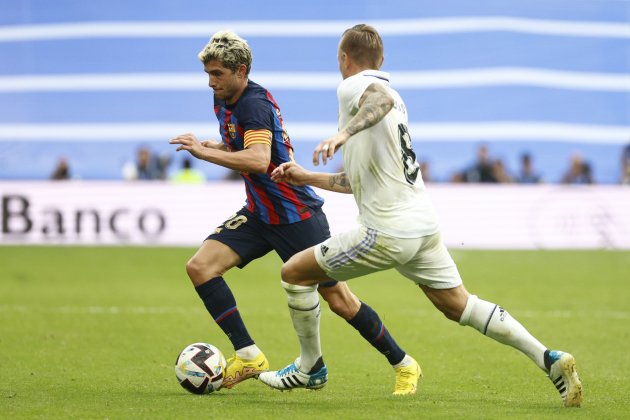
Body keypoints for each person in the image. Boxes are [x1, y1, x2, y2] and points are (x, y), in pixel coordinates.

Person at [259, 24, 583, 408]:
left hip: (386, 232)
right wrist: (306, 176)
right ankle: (548, 358)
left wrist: (342, 134)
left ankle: (310, 366)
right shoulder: (397, 100)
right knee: (458, 304)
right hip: (423, 226)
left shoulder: (357, 87)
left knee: (294, 273)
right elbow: (357, 181)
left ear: (344, 59)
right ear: (382, 60)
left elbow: (374, 100)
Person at [169, 30, 417, 394]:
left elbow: (258, 159)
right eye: (208, 74)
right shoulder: (226, 101)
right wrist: (219, 144)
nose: (211, 82)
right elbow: (251, 144)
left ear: (241, 70)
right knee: (201, 267)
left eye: (218, 73)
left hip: (295, 214)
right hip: (259, 214)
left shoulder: (252, 103)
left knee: (339, 300)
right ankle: (249, 355)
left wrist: (203, 152)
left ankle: (404, 364)